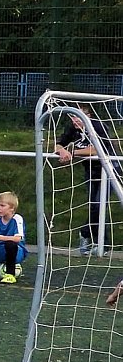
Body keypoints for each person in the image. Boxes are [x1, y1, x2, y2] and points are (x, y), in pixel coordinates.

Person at [53, 104, 118, 255]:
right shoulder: (72, 129)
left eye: (78, 116)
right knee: (94, 205)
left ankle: (91, 237)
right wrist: (62, 151)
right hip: (91, 170)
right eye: (73, 117)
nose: (74, 120)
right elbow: (58, 145)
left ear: (88, 116)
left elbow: (96, 149)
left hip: (109, 169)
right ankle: (96, 241)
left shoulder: (98, 126)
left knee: (98, 204)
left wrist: (72, 152)